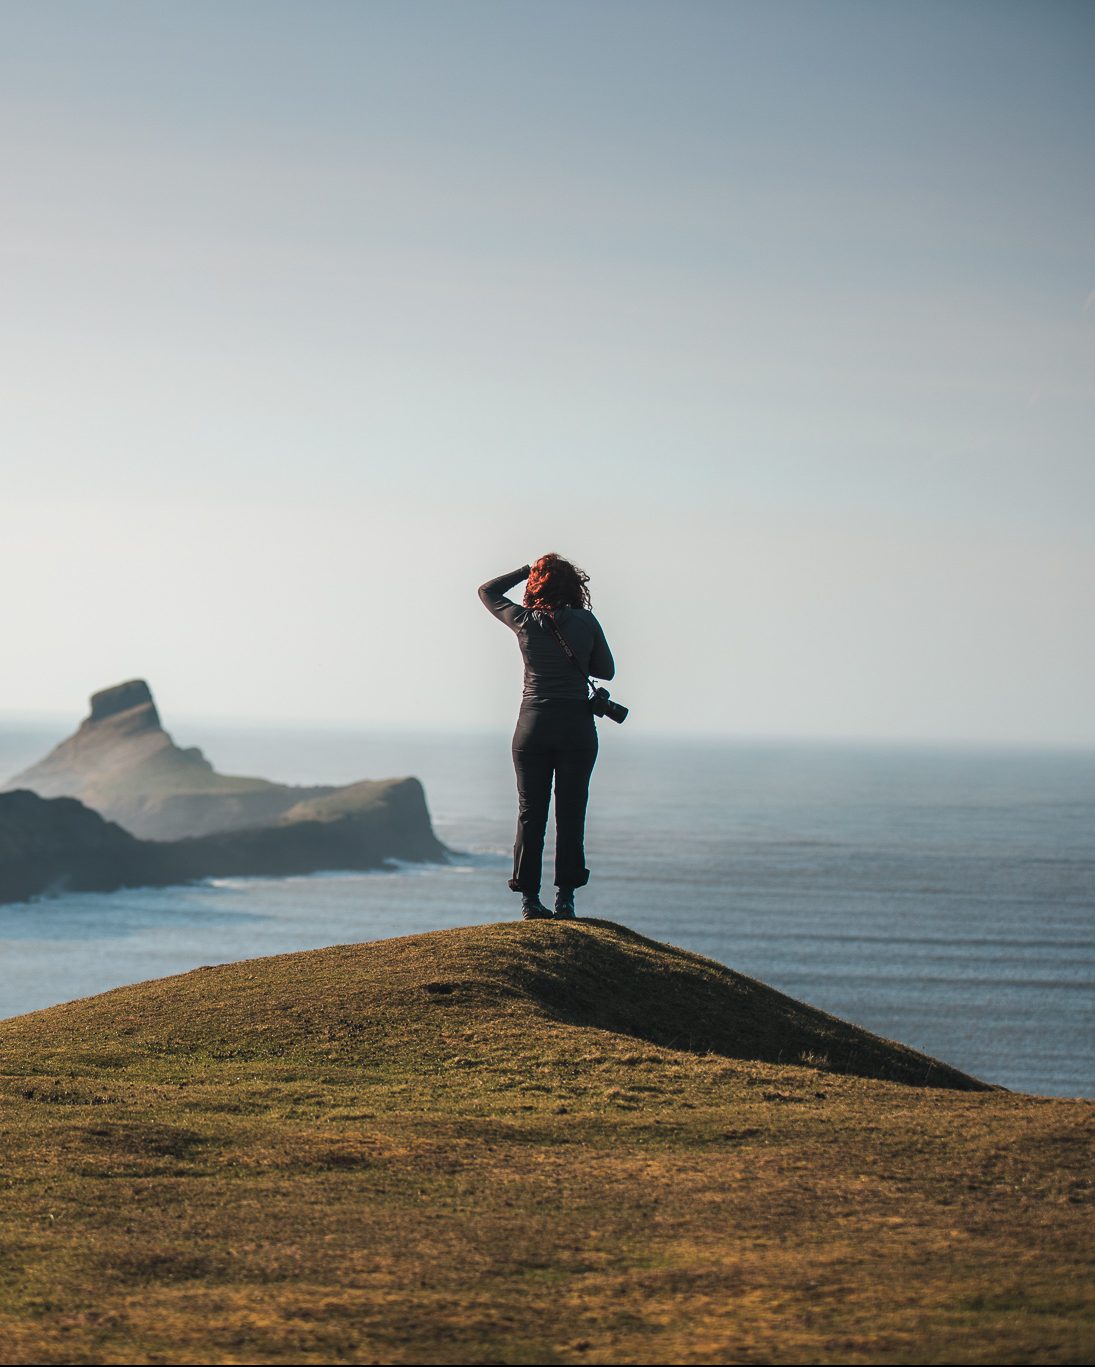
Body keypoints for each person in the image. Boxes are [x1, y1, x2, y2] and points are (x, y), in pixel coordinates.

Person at [478, 554, 615, 921]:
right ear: (575, 587)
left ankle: (528, 901)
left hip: (532, 727)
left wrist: (527, 569)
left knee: (530, 813)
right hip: (575, 728)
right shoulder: (586, 622)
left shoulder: (522, 620)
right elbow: (607, 670)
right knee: (571, 813)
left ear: (536, 586)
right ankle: (565, 899)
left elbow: (487, 590)